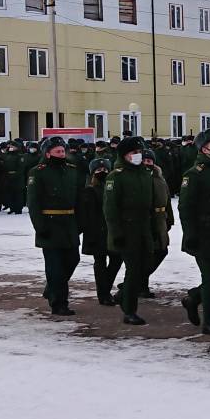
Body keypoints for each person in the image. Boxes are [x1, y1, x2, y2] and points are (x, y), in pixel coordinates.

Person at [178, 128, 210, 336]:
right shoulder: (194, 174)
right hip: (203, 232)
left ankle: (193, 299)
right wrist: (190, 234)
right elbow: (185, 207)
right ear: (204, 149)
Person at [103, 136, 154, 326]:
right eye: (134, 153)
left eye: (139, 152)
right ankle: (130, 310)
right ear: (124, 155)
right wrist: (116, 233)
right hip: (127, 228)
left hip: (144, 227)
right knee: (134, 270)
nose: (138, 156)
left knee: (147, 265)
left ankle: (123, 295)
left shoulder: (144, 173)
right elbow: (110, 209)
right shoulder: (116, 176)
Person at [27, 136, 80, 316]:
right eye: (57, 151)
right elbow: (33, 203)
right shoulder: (38, 172)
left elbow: (78, 197)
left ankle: (51, 289)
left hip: (69, 224)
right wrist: (40, 227)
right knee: (55, 267)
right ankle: (59, 303)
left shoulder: (71, 170)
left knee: (73, 260)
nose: (61, 154)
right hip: (50, 223)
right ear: (48, 154)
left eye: (63, 151)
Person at [77, 158, 120, 306]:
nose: (103, 172)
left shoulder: (113, 187)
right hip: (96, 232)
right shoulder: (89, 190)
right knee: (100, 262)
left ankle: (105, 289)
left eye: (105, 170)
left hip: (112, 230)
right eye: (99, 170)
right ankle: (103, 294)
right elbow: (87, 214)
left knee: (116, 260)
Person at [143, 149, 174, 297]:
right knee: (146, 254)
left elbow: (167, 199)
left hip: (161, 219)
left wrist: (170, 219)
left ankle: (139, 281)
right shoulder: (140, 177)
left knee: (161, 251)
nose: (147, 163)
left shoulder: (160, 177)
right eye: (145, 161)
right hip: (147, 219)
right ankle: (138, 284)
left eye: (149, 161)